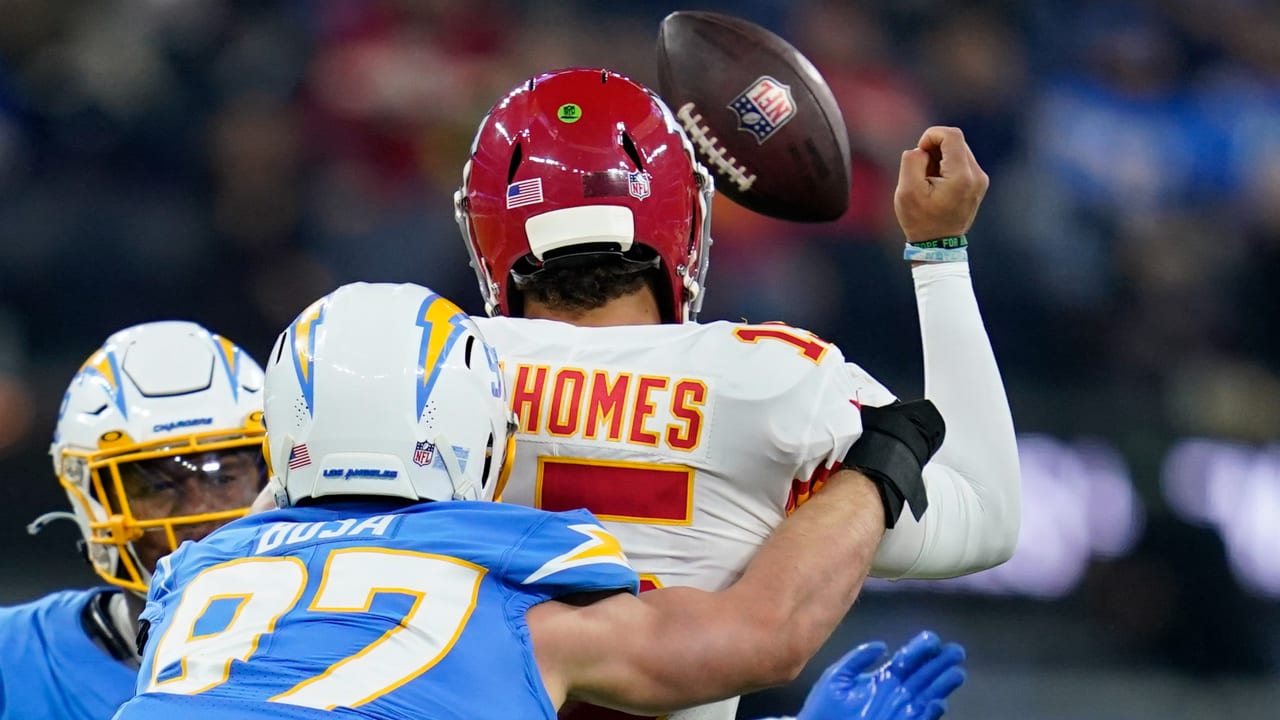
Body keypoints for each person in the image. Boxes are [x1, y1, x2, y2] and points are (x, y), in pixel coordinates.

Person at [453, 68, 1020, 718]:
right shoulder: (772, 382)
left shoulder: (411, 361)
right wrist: (939, 250)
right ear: (684, 221)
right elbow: (987, 513)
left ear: (489, 230)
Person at [114, 282, 944, 719]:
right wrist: (879, 465)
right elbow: (761, 637)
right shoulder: (513, 582)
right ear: (480, 423)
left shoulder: (191, 580)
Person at [0, 321, 268, 719]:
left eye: (222, 477)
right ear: (93, 500)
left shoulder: (350, 646)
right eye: (158, 487)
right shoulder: (13, 660)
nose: (198, 513)